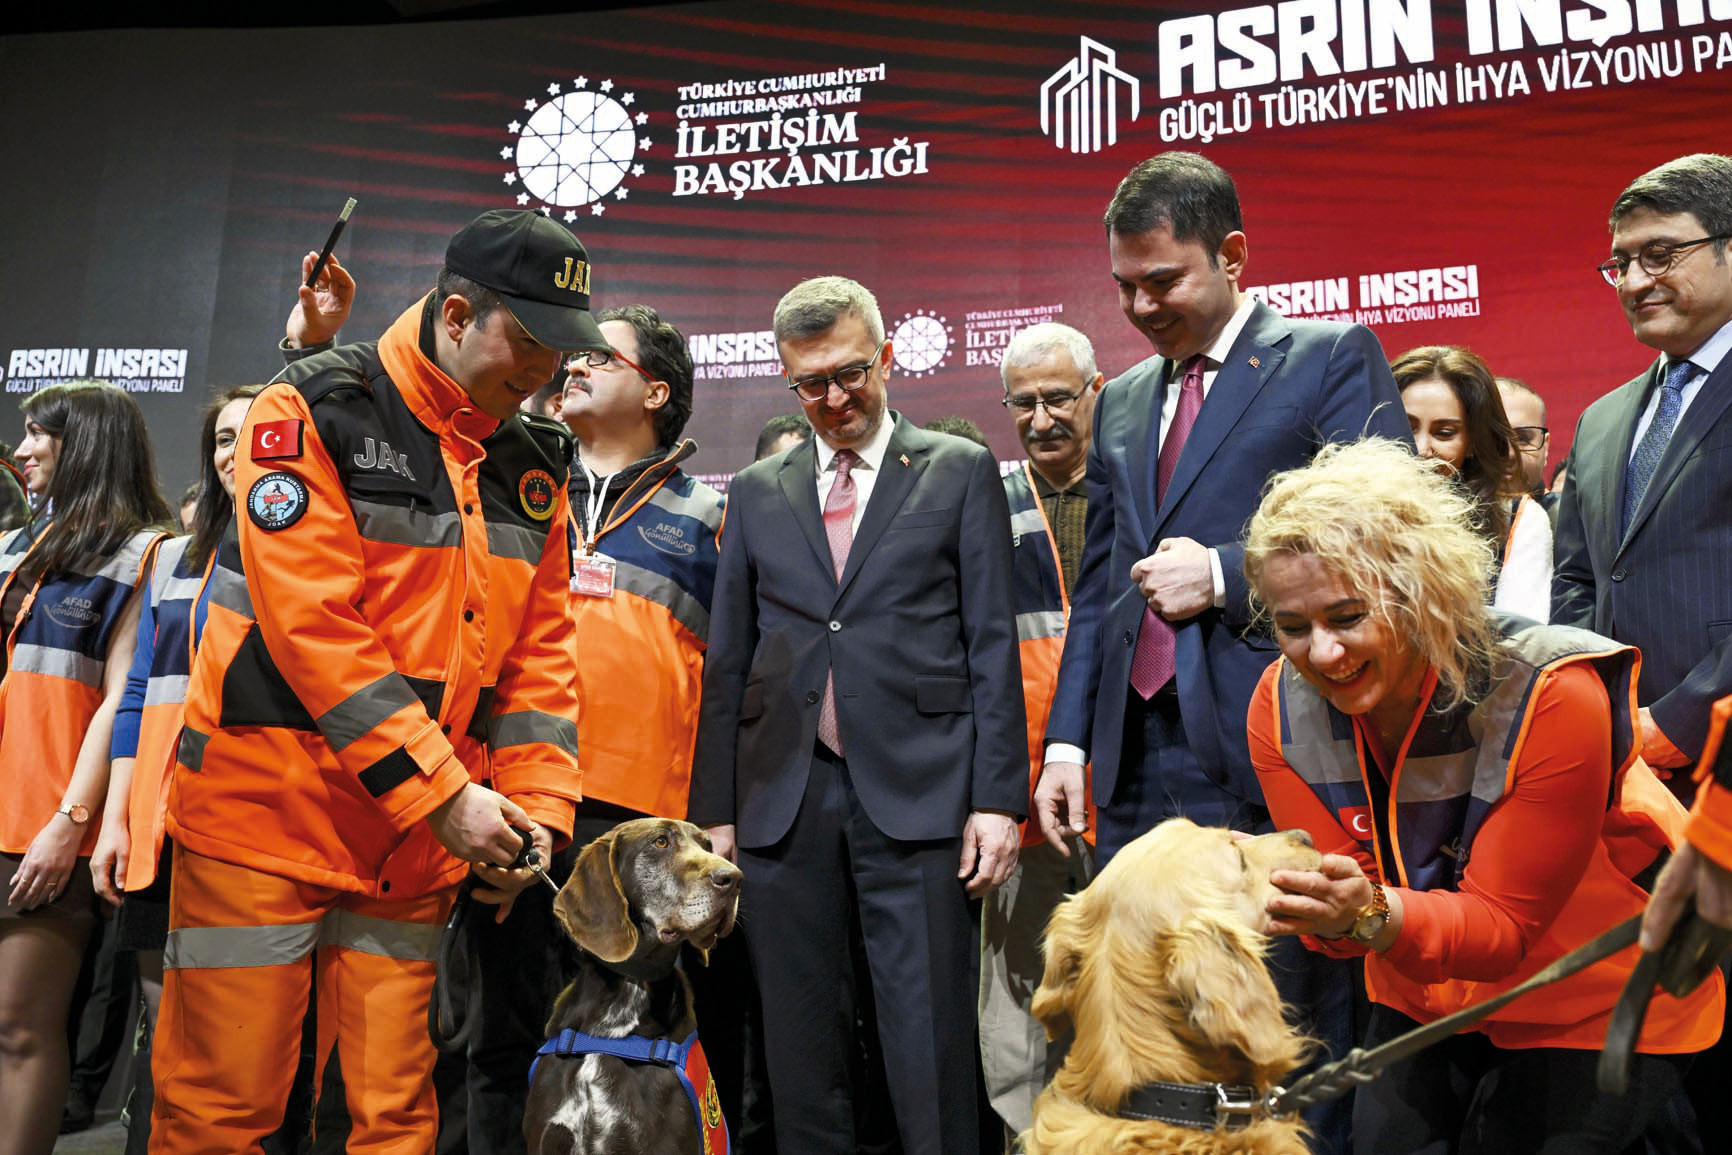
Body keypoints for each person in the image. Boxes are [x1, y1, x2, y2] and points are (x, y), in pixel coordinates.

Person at [148, 208, 594, 1153]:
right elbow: (314, 627)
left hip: (414, 847)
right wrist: (446, 797)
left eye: (562, 348)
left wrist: (537, 817)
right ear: (457, 314)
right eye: (530, 340)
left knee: (392, 1123)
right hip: (265, 821)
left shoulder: (534, 461)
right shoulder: (312, 408)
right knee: (220, 1115)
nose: (546, 369)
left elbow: (540, 658)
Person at [1032, 151, 1406, 1150]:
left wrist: (1229, 573)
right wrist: (1067, 743)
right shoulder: (1119, 399)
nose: (1141, 306)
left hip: (1276, 744)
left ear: (1232, 254)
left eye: (1163, 281)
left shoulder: (1327, 357)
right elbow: (1102, 587)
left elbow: (1385, 530)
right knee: (1152, 1037)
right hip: (1133, 762)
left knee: (1290, 1021)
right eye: (1125, 287)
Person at [1244, 436, 1722, 1151]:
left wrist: (1365, 912)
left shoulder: (1552, 689)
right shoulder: (1277, 705)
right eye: (1292, 627)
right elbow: (1345, 915)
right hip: (1422, 987)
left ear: (1422, 592)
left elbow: (1502, 929)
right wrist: (1327, 911)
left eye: (1347, 617)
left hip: (1592, 990)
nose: (1323, 652)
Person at [690, 275, 1027, 1155]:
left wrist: (999, 799)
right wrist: (715, 813)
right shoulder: (755, 489)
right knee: (799, 1053)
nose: (835, 398)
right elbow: (728, 660)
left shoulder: (957, 470)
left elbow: (992, 643)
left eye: (850, 374)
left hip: (924, 792)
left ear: (886, 357)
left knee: (930, 1049)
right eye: (811, 383)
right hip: (781, 801)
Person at [457, 302, 727, 1154]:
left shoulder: (712, 517)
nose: (572, 364)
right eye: (570, 355)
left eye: (600, 357)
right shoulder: (513, 484)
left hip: (639, 830)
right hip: (513, 802)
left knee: (642, 1060)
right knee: (502, 1040)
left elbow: (733, 685)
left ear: (655, 391)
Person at [1555, 150, 1732, 1147]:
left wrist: (1677, 717)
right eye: (1618, 262)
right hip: (1630, 796)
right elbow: (1576, 585)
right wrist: (1604, 716)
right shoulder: (1603, 417)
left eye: (1659, 254)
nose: (1631, 280)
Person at [0, 381, 170, 1155]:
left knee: (21, 1027)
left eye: (40, 434)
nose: (23, 449)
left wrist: (69, 822)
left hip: (43, 822)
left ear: (88, 443)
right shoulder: (17, 545)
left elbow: (121, 699)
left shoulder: (146, 554)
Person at [979, 321, 1102, 1142]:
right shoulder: (984, 499)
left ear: (1097, 392)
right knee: (1017, 998)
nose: (1042, 417)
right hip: (1020, 797)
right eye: (1023, 403)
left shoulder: (1142, 487)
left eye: (1059, 397)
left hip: (1128, 782)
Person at [1394, 345, 1552, 621]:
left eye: (1444, 433)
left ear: (1472, 443)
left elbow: (1519, 636)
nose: (1421, 448)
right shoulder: (1342, 513)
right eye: (1407, 427)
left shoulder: (1515, 519)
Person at [1497, 376, 1556, 509]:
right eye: (1494, 438)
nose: (1509, 453)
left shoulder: (1572, 518)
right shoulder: (1448, 517)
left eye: (1522, 439)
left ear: (1545, 447)